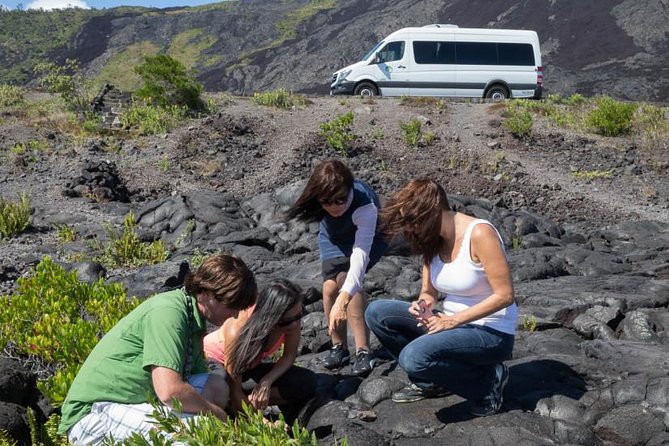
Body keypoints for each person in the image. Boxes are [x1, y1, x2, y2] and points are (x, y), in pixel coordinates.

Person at [58, 254, 258, 445]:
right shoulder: (169, 311)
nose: (234, 314)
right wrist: (217, 414)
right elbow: (169, 391)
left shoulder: (192, 318)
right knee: (200, 431)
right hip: (92, 415)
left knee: (216, 387)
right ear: (206, 292)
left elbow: (194, 385)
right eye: (231, 304)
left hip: (132, 402)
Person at [365, 178, 517, 416]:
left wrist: (453, 321)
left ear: (434, 211)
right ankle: (432, 383)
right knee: (377, 312)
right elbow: (429, 292)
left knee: (413, 357)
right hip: (450, 322)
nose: (411, 228)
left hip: (491, 331)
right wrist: (423, 305)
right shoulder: (431, 240)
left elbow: (505, 296)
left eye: (414, 221)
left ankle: (487, 382)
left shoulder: (480, 234)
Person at [286, 159, 388, 376]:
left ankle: (363, 350)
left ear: (349, 189)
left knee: (346, 281)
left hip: (368, 237)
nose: (334, 206)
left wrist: (345, 298)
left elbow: (360, 255)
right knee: (329, 289)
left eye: (340, 200)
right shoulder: (319, 198)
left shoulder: (365, 205)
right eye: (327, 202)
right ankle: (338, 346)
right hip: (333, 237)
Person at [204, 279, 317, 425]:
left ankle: (243, 404)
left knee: (305, 381)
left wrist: (266, 382)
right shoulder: (239, 330)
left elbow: (289, 355)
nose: (294, 324)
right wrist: (263, 424)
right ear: (270, 317)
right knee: (221, 391)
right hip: (216, 364)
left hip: (248, 368)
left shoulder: (292, 316)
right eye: (286, 321)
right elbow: (234, 386)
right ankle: (236, 408)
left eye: (299, 316)